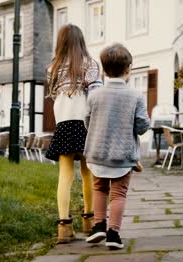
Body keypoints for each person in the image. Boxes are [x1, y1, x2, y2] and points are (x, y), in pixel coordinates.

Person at [83, 43, 150, 249]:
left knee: (99, 188)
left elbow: (87, 121)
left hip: (98, 154)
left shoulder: (94, 95)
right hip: (122, 155)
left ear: (103, 70)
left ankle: (98, 225)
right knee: (118, 193)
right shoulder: (136, 96)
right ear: (128, 69)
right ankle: (113, 233)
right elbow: (141, 127)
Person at [44, 24, 103, 244]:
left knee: (65, 175)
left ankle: (64, 226)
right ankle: (89, 220)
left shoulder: (52, 68)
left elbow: (53, 96)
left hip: (64, 122)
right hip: (85, 122)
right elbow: (96, 96)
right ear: (81, 41)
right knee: (88, 172)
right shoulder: (90, 64)